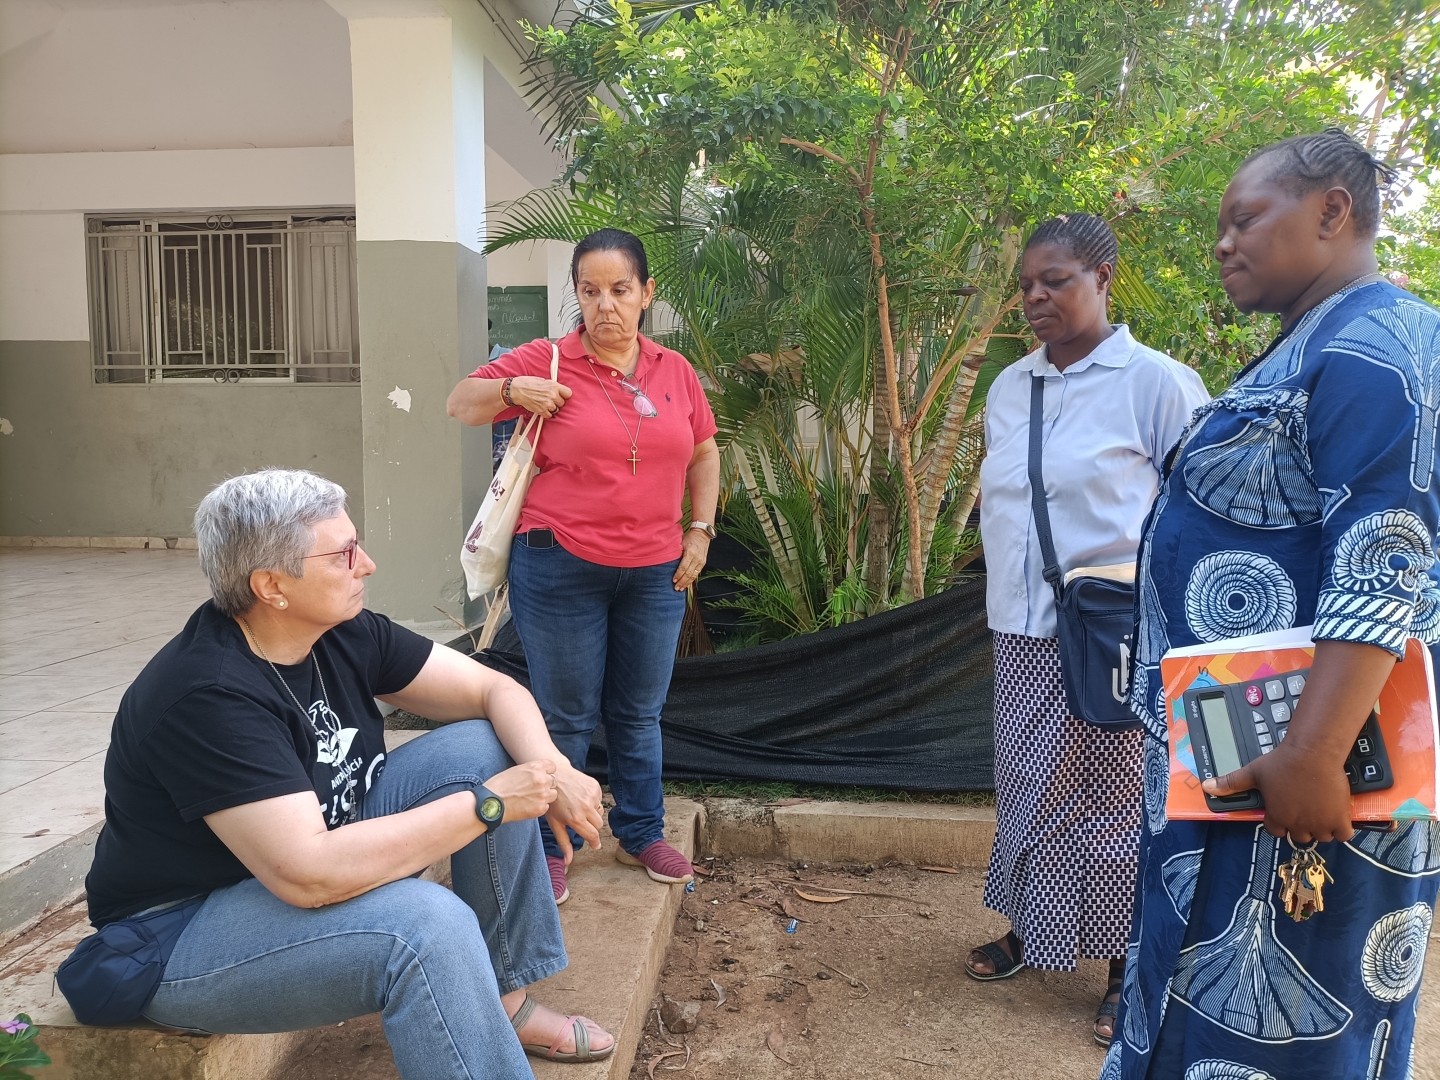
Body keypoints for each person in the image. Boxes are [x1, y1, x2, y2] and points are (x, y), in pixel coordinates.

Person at [78, 469, 615, 1077]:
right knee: (426, 927)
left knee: (488, 746)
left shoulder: (338, 630)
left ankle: (503, 999)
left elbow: (493, 689)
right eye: (344, 554)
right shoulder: (208, 694)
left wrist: (554, 769)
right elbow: (309, 875)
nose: (368, 565)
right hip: (184, 928)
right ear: (271, 585)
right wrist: (488, 806)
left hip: (308, 846)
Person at [1104, 129, 1440, 1079]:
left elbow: (1384, 558)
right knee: (1186, 999)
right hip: (1239, 752)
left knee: (1282, 1034)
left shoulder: (1383, 347)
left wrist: (1313, 754)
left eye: (1245, 218)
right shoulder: (1309, 344)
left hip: (1312, 775)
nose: (1223, 243)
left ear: (1332, 211)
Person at [971, 213, 1209, 1046]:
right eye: (1027, 285)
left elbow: (1199, 514)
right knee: (1031, 787)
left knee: (1112, 796)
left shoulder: (1159, 384)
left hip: (1115, 635)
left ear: (1103, 278)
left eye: (1056, 281)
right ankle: (1032, 931)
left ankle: (1121, 967)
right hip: (1021, 629)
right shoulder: (1012, 387)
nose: (1036, 297)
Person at [447, 228, 721, 904]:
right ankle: (552, 843)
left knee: (638, 712)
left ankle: (642, 831)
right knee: (565, 716)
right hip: (559, 564)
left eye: (620, 290)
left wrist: (700, 531)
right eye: (590, 291)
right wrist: (515, 388)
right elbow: (460, 403)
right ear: (576, 294)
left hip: (656, 572)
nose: (605, 306)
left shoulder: (675, 371)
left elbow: (704, 452)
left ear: (646, 293)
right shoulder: (549, 360)